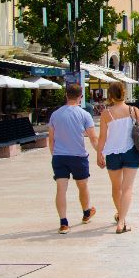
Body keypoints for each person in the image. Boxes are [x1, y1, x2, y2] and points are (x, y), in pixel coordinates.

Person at [96, 82, 139, 234]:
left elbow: (102, 137)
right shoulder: (133, 110)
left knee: (116, 187)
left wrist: (99, 153)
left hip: (112, 153)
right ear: (124, 93)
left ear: (110, 95)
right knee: (127, 188)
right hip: (131, 152)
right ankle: (121, 222)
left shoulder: (106, 114)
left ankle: (122, 218)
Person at [47, 83, 99, 234]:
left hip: (59, 157)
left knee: (61, 189)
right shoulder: (84, 115)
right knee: (82, 186)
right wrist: (100, 154)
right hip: (78, 157)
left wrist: (55, 155)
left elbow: (51, 140)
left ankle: (63, 223)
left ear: (66, 95)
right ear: (80, 97)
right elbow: (93, 138)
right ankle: (86, 213)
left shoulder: (55, 115)